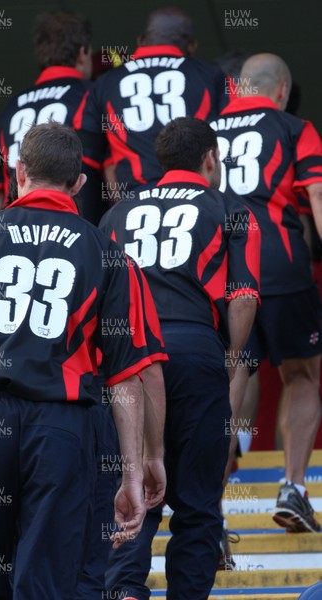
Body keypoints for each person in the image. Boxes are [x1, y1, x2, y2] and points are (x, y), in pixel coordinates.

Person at [0, 122, 166, 599]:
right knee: (47, 587)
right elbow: (127, 377)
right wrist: (132, 471)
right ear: (80, 183)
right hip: (62, 426)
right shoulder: (109, 254)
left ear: (19, 172)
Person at [99, 117, 260, 600]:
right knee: (197, 506)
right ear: (210, 159)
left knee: (133, 492)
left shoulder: (116, 214)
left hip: (128, 360)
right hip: (195, 352)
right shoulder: (233, 209)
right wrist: (229, 358)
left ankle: (124, 592)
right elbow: (244, 295)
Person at [211, 53, 322, 532]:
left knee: (232, 376)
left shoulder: (206, 130)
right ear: (281, 90)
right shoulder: (296, 127)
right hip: (280, 261)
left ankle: (208, 512)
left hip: (226, 266)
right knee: (301, 374)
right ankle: (293, 489)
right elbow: (316, 195)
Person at [77, 6, 229, 197]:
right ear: (192, 46)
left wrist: (104, 218)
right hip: (197, 200)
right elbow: (236, 135)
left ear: (140, 41)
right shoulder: (213, 76)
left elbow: (86, 159)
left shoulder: (103, 84)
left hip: (134, 207)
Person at [0, 10, 106, 224]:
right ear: (82, 52)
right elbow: (116, 170)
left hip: (15, 238)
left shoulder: (9, 108)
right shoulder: (94, 95)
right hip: (77, 237)